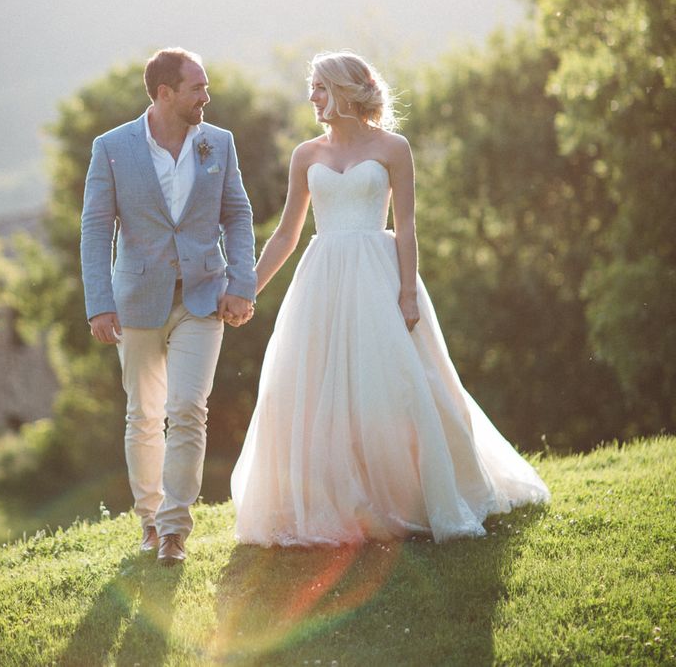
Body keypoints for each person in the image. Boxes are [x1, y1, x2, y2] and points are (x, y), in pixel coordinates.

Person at [231, 51, 549, 546]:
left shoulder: (393, 148)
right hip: (322, 281)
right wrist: (246, 289)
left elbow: (406, 230)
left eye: (319, 87)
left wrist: (406, 293)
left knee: (397, 386)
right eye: (312, 88)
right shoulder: (306, 155)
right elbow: (285, 237)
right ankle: (339, 501)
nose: (312, 97)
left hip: (379, 277)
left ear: (345, 90)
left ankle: (411, 498)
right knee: (312, 390)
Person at [81, 48, 256, 564]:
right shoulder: (111, 148)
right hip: (135, 300)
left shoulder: (218, 142)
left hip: (203, 296)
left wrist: (241, 282)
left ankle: (176, 528)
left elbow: (237, 215)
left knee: (187, 410)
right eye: (197, 88)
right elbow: (96, 230)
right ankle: (149, 521)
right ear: (165, 94)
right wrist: (99, 302)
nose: (207, 96)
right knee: (143, 414)